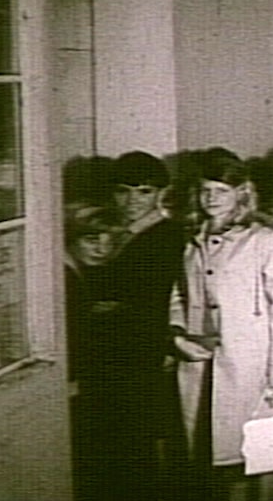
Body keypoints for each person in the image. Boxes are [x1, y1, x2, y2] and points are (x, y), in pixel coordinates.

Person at [169, 155, 273, 501]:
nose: (212, 198)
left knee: (265, 448)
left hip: (254, 361)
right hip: (202, 359)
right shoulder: (194, 239)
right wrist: (176, 333)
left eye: (222, 190)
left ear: (242, 193)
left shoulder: (263, 240)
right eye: (206, 190)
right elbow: (178, 294)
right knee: (223, 451)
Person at [88, 150, 186, 501]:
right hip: (112, 357)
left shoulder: (172, 237)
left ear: (162, 192)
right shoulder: (107, 233)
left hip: (146, 354)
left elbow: (160, 301)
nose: (131, 200)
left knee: (142, 443)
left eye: (143, 191)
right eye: (123, 190)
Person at [63, 204, 125, 501]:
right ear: (71, 238)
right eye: (92, 240)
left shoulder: (82, 272)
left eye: (108, 242)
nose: (102, 249)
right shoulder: (64, 277)